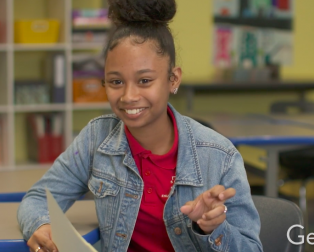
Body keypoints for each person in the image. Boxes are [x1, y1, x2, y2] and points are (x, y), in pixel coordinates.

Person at [17, 0, 262, 251]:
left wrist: (211, 228)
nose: (128, 96)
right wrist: (39, 225)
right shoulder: (96, 138)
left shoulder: (220, 156)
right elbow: (38, 199)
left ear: (173, 79)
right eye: (115, 82)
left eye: (144, 80)